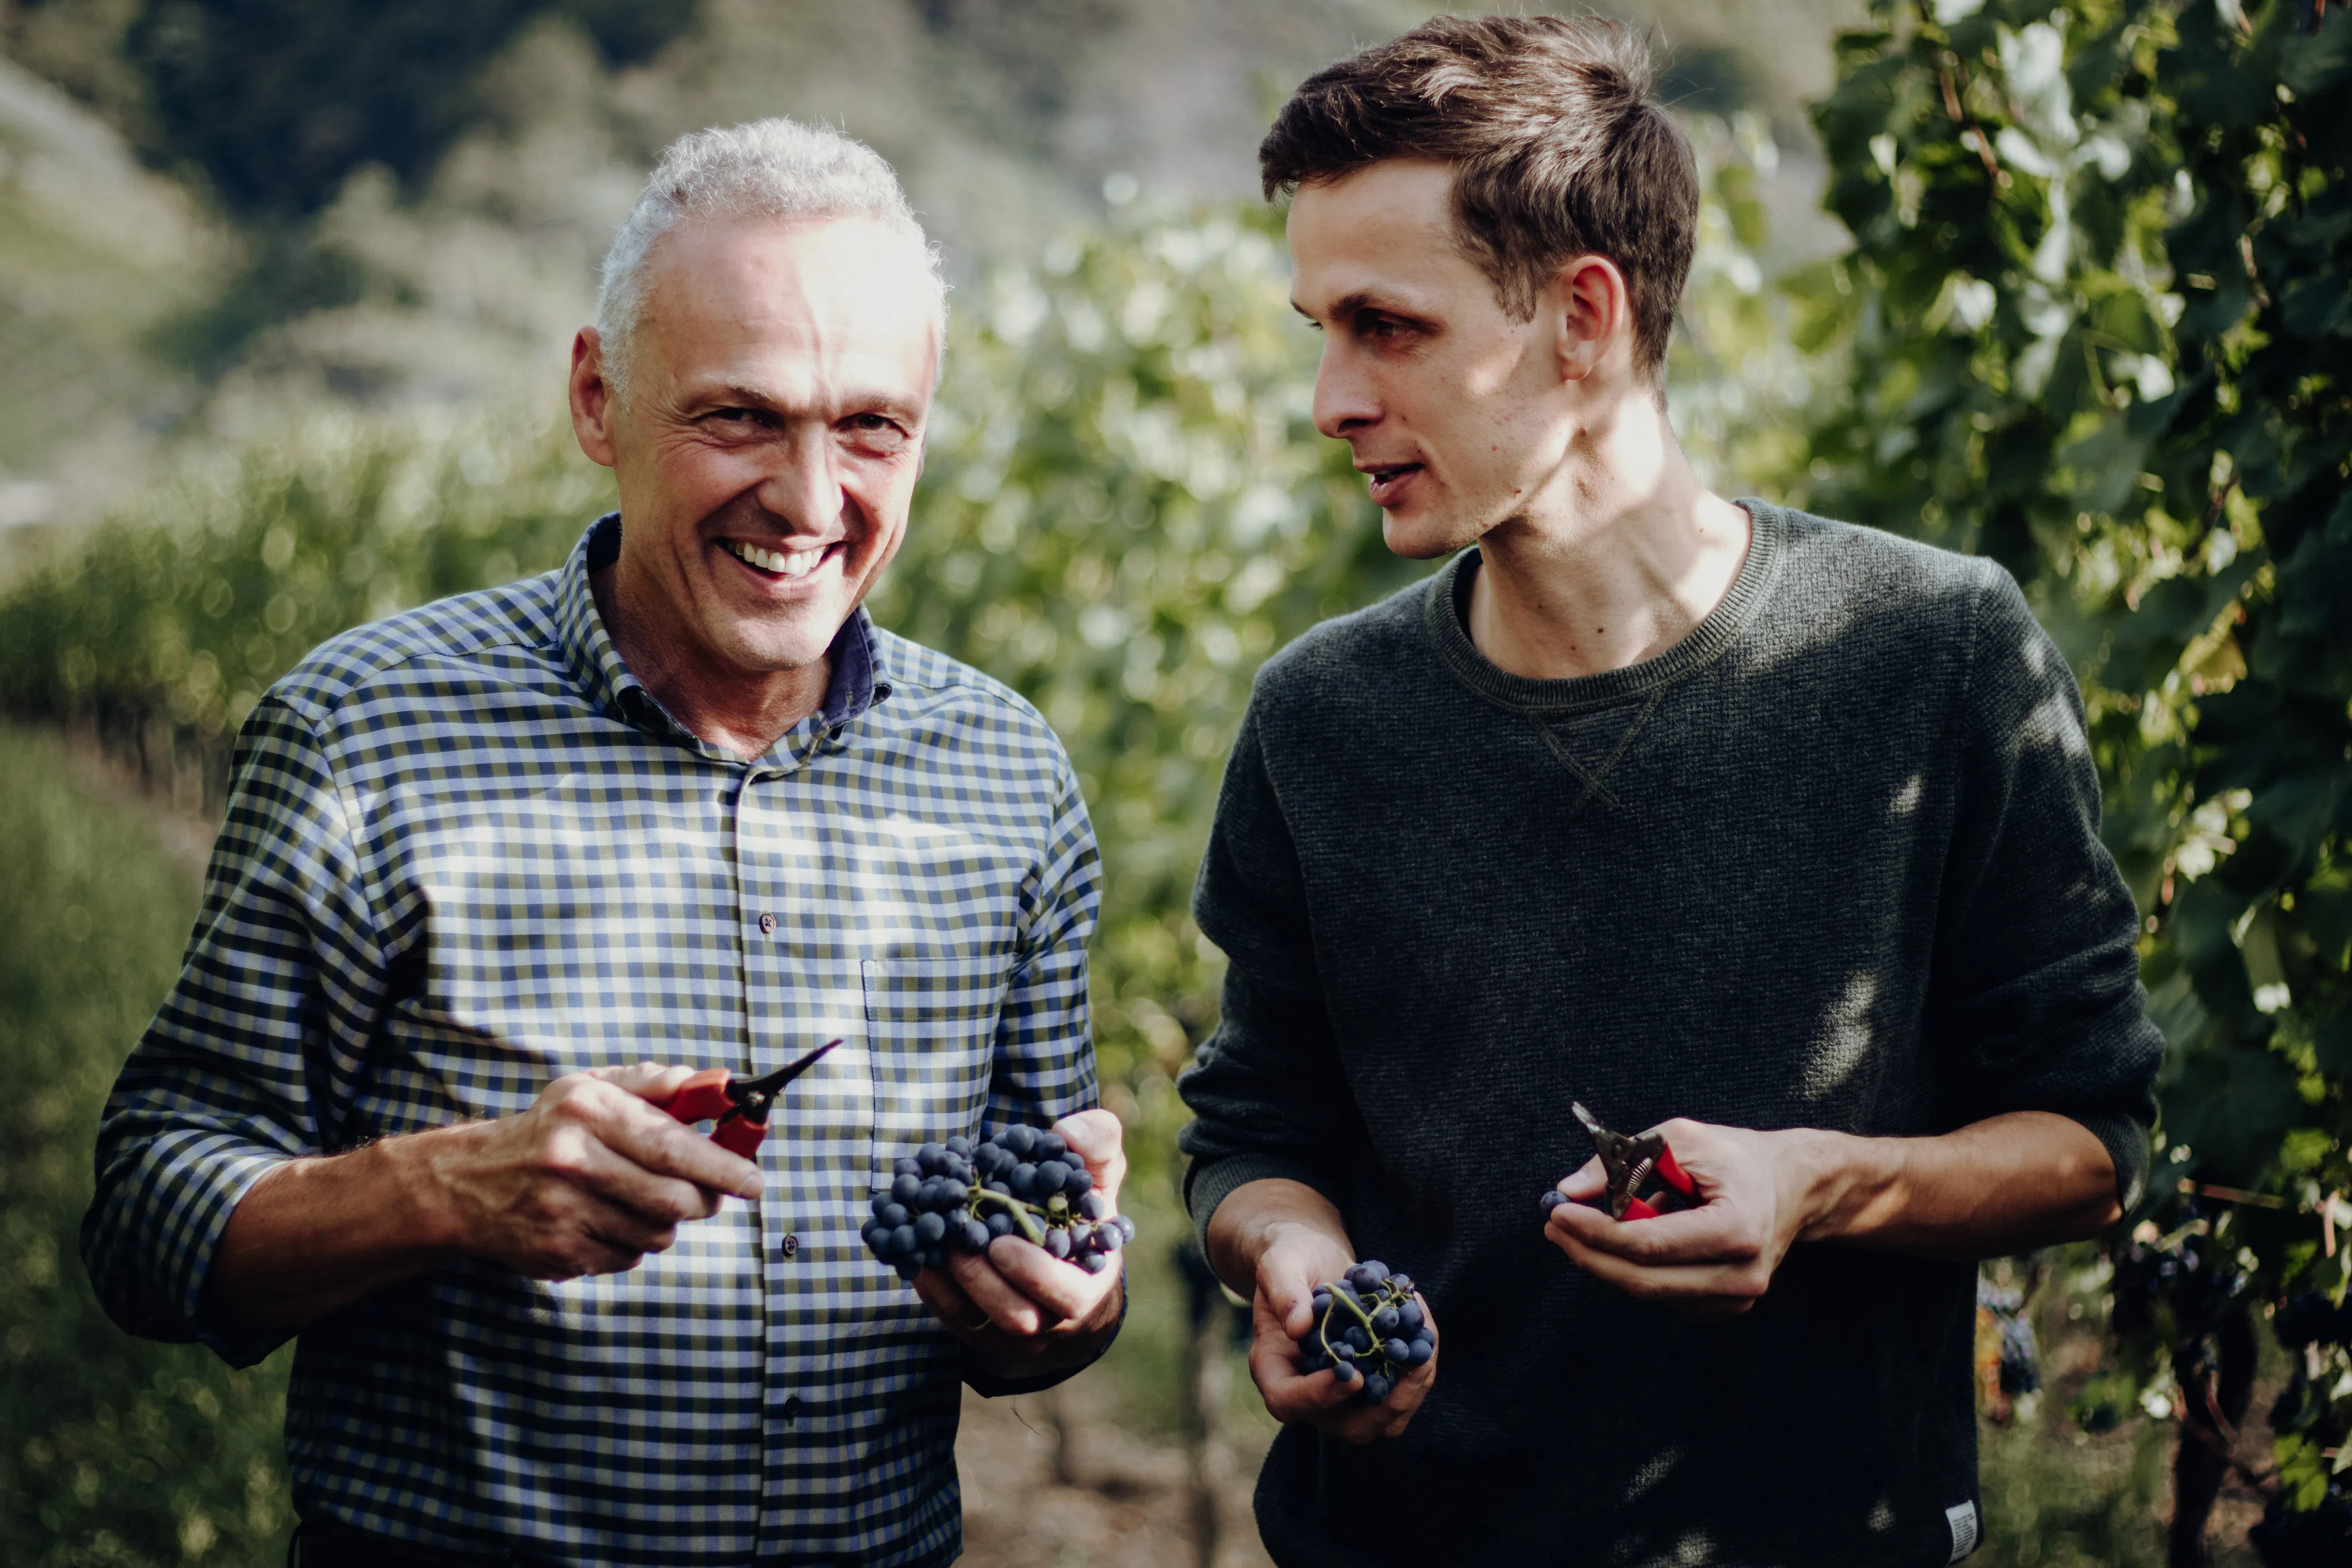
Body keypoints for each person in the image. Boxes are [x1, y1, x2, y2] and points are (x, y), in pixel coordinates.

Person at [1175, 16, 2162, 1566]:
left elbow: (2091, 1138)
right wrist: (1291, 1247)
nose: (1329, 397)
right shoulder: (1323, 718)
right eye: (1321, 328)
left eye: (1388, 327)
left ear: (1582, 315)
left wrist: (1816, 1185)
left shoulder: (1934, 651)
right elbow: (1252, 1127)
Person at [82, 118, 1125, 1568]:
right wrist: (441, 1190)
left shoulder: (1006, 775)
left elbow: (1046, 1275)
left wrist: (1066, 1296)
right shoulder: (365, 733)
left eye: (871, 426)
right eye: (738, 417)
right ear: (597, 397)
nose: (812, 501)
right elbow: (144, 1218)